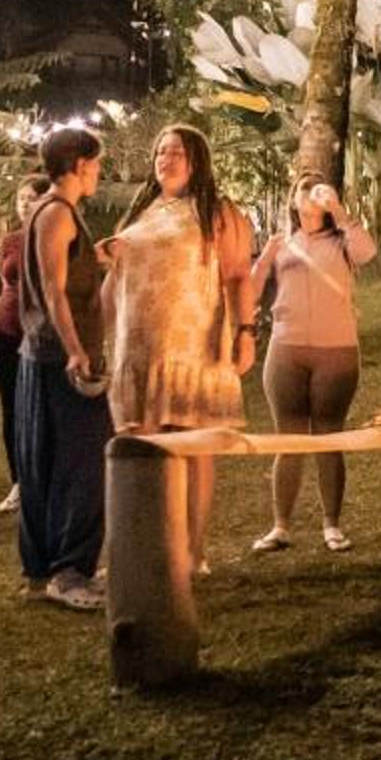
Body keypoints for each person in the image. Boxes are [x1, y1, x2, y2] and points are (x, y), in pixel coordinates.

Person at [103, 123, 257, 571]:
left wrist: (245, 332)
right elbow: (114, 281)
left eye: (176, 152)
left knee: (193, 448)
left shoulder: (216, 212)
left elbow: (237, 276)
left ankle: (192, 551)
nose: (165, 159)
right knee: (140, 450)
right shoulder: (141, 211)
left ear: (196, 162)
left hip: (193, 350)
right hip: (137, 351)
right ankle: (146, 548)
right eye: (160, 152)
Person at [246, 177, 379, 555]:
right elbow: (251, 291)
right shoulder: (281, 244)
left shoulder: (343, 241)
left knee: (328, 437)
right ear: (294, 200)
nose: (312, 193)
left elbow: (367, 253)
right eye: (305, 187)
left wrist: (339, 211)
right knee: (288, 440)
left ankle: (332, 526)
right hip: (286, 350)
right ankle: (280, 527)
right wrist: (265, 259)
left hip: (335, 351)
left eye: (319, 188)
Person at [15, 126, 112, 610]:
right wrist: (76, 350)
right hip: (59, 357)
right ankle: (70, 571)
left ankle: (44, 569)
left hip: (45, 354)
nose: (99, 173)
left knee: (48, 461)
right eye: (96, 164)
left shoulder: (51, 212)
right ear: (79, 165)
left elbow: (65, 274)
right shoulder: (56, 212)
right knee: (82, 464)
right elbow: (53, 289)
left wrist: (97, 259)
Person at [0, 177, 51, 515]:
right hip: (6, 331)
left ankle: (44, 477)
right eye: (21, 198)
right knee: (12, 408)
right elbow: (6, 284)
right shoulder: (10, 239)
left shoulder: (56, 237)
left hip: (40, 335)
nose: (25, 203)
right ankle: (19, 481)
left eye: (32, 197)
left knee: (40, 408)